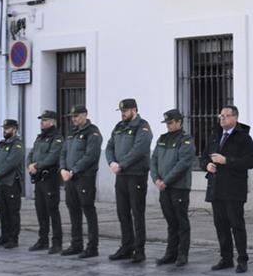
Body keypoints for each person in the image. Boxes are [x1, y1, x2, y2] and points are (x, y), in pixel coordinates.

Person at [204, 105, 253, 273]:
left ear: (235, 117)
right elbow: (204, 155)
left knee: (236, 224)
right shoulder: (215, 134)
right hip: (216, 187)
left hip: (234, 188)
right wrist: (207, 165)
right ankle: (226, 258)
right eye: (221, 116)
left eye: (226, 116)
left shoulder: (243, 137)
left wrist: (227, 161)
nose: (222, 119)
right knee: (220, 225)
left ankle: (242, 259)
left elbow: (249, 161)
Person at [106, 98, 153, 263]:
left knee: (137, 213)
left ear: (134, 110)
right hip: (121, 176)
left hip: (136, 175)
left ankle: (139, 249)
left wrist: (122, 164)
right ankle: (126, 246)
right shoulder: (119, 127)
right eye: (121, 111)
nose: (123, 114)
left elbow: (139, 150)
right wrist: (111, 162)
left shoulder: (143, 127)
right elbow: (109, 146)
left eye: (125, 111)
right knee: (122, 212)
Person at [150, 109, 195, 267]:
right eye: (166, 123)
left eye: (170, 123)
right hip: (164, 187)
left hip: (179, 187)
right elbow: (153, 159)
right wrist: (156, 178)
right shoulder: (162, 139)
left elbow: (183, 164)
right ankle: (171, 253)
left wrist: (166, 181)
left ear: (179, 122)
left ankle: (182, 254)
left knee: (181, 221)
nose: (168, 126)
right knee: (170, 221)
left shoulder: (186, 140)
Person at [60, 104, 102, 258]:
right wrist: (63, 169)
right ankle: (76, 243)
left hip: (84, 178)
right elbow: (63, 152)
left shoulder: (93, 133)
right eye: (72, 116)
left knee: (88, 209)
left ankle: (92, 247)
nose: (73, 119)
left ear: (85, 115)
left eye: (76, 116)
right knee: (73, 210)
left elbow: (90, 156)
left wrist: (73, 170)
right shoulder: (72, 133)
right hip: (70, 178)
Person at [27, 110, 64, 254]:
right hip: (38, 179)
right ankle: (42, 240)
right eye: (41, 120)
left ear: (52, 122)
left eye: (45, 120)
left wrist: (36, 166)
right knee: (40, 210)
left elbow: (53, 157)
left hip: (50, 178)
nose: (42, 122)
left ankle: (57, 242)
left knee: (52, 210)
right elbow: (31, 153)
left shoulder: (57, 138)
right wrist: (30, 164)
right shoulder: (40, 137)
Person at [0, 118, 24, 249]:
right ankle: (4, 236)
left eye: (7, 128)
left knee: (12, 211)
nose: (5, 131)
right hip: (1, 183)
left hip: (11, 183)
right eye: (4, 128)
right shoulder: (1, 144)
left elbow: (11, 162)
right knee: (3, 211)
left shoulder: (17, 145)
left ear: (14, 130)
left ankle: (13, 238)